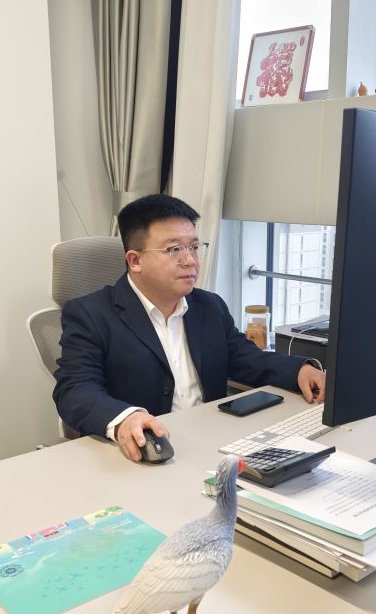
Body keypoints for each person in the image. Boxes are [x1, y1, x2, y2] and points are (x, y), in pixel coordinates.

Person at [53, 194, 326, 462]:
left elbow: (247, 359)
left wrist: (301, 370)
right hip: (145, 454)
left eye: (194, 247)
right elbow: (75, 390)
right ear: (135, 260)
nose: (191, 261)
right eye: (174, 250)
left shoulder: (209, 306)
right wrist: (125, 418)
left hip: (211, 444)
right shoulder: (90, 314)